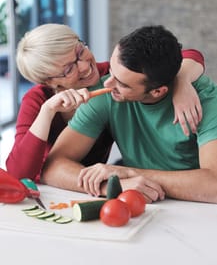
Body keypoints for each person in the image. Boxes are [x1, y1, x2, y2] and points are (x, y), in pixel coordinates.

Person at [42, 25, 217, 204]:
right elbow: (53, 167)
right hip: (146, 204)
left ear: (158, 91)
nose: (108, 84)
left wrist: (127, 172)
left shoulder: (206, 99)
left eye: (122, 84)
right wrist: (112, 185)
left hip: (206, 210)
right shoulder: (106, 92)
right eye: (111, 71)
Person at [6, 23, 204, 182]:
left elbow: (182, 56)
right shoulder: (37, 100)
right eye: (68, 69)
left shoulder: (107, 76)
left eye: (80, 51)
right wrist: (47, 111)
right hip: (56, 188)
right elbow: (18, 173)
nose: (84, 66)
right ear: (49, 82)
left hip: (98, 182)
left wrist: (182, 81)